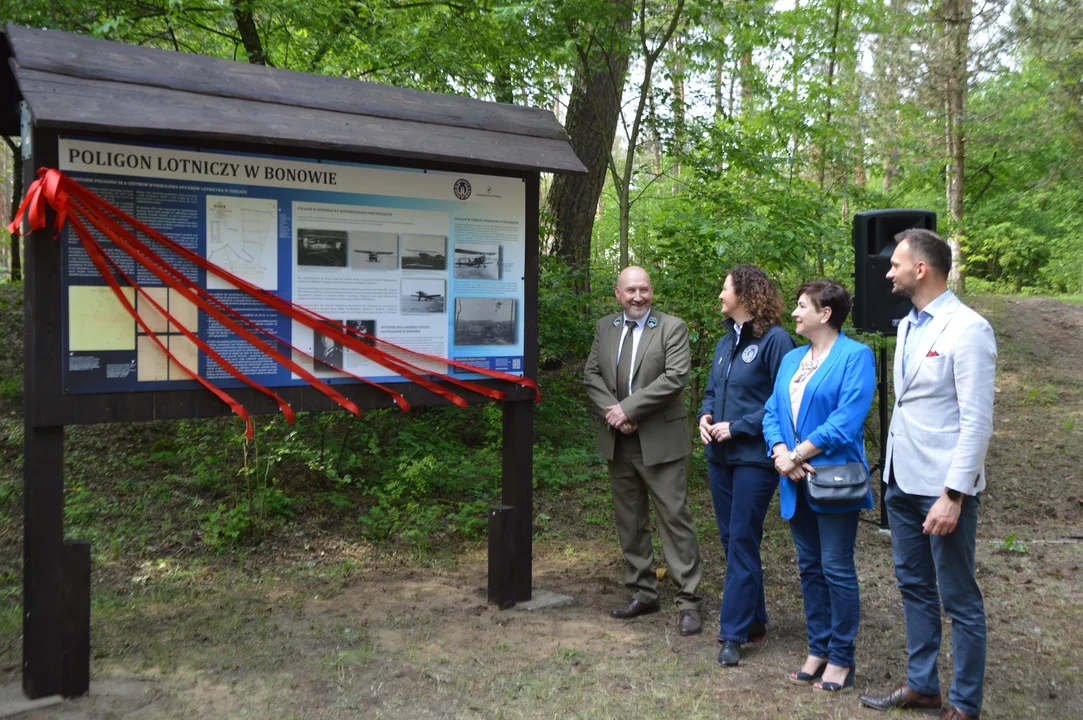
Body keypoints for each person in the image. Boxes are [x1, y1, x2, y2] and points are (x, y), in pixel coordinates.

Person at [859, 230, 996, 720]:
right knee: (913, 586)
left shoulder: (969, 328)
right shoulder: (906, 327)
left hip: (943, 490)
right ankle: (922, 686)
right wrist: (890, 478)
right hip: (901, 481)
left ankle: (964, 703)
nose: (888, 271)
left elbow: (977, 421)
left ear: (922, 269)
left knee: (958, 596)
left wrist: (954, 494)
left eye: (896, 264)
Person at [762, 280, 875, 694]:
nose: (794, 313)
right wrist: (779, 453)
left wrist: (798, 455)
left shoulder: (855, 356)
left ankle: (842, 657)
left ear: (825, 314)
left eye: (802, 306)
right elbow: (772, 411)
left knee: (837, 569)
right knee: (810, 568)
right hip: (793, 479)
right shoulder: (792, 358)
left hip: (834, 482)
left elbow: (846, 421)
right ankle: (818, 648)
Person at [584, 265, 704, 636]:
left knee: (674, 519)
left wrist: (629, 409)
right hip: (619, 440)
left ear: (652, 292)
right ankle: (643, 591)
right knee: (630, 520)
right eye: (631, 290)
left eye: (645, 290)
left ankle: (690, 601)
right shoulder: (606, 327)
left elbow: (675, 377)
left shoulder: (672, 327)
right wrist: (615, 414)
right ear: (617, 294)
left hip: (660, 441)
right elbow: (591, 375)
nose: (639, 297)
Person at [697, 266, 795, 667]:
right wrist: (704, 415)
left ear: (745, 294)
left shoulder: (775, 341)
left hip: (755, 457)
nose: (720, 295)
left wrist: (738, 427)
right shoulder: (725, 341)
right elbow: (711, 389)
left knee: (741, 539)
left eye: (724, 288)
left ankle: (733, 633)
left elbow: (783, 399)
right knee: (731, 540)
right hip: (719, 459)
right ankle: (755, 621)